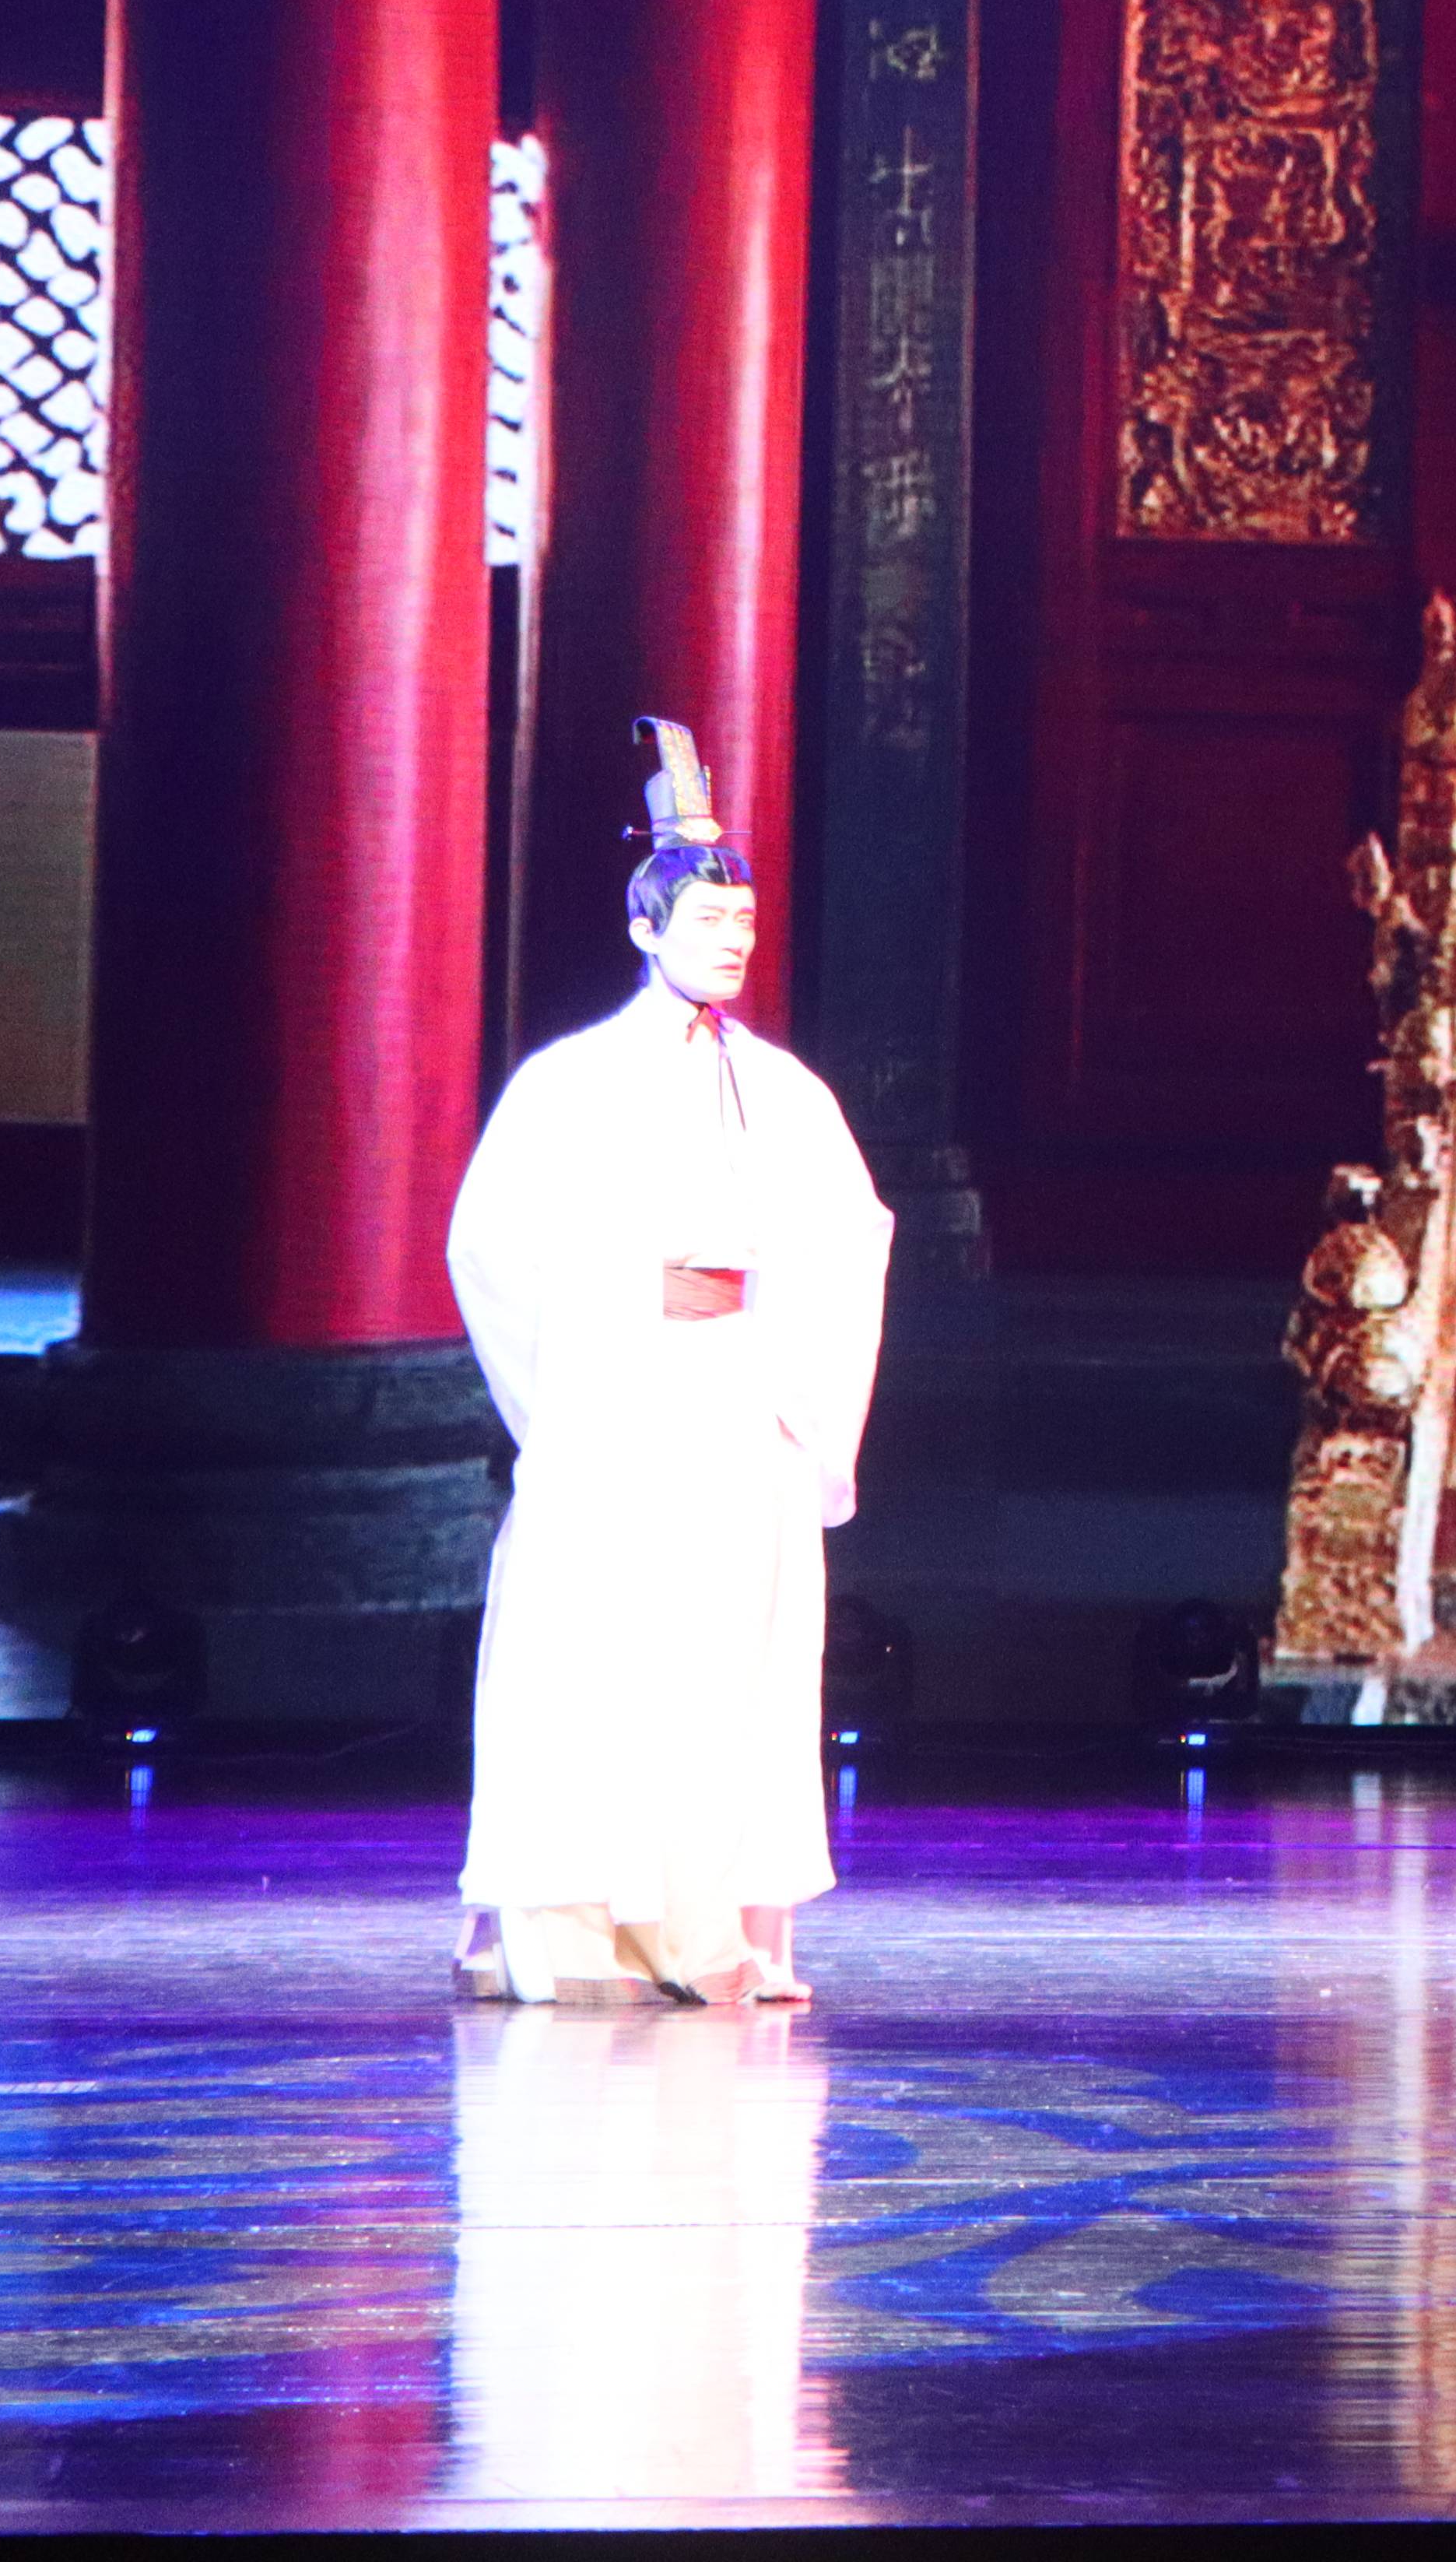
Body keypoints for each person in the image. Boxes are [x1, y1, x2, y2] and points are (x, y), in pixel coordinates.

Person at [447, 722, 891, 2008]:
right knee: (597, 1652)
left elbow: (850, 1235)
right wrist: (579, 1383)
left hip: (737, 1389)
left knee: (733, 1657)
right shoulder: (571, 1082)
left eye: (746, 921)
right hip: (617, 1391)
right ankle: (580, 1927)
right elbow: (492, 1245)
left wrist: (795, 1397)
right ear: (647, 927)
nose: (734, 940)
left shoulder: (784, 1089)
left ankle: (714, 1928)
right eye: (709, 919)